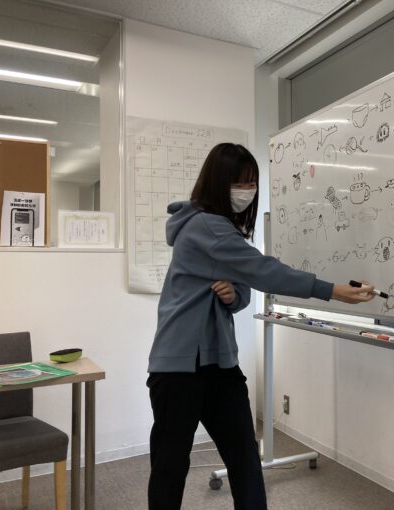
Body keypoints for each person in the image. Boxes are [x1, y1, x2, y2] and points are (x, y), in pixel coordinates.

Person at [147, 143, 375, 510]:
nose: (246, 191)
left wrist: (232, 295)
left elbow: (242, 290)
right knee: (171, 465)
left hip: (219, 363)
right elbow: (264, 271)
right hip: (179, 368)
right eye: (238, 183)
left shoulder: (222, 229)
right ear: (217, 183)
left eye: (251, 183)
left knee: (243, 459)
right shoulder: (206, 225)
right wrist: (330, 290)